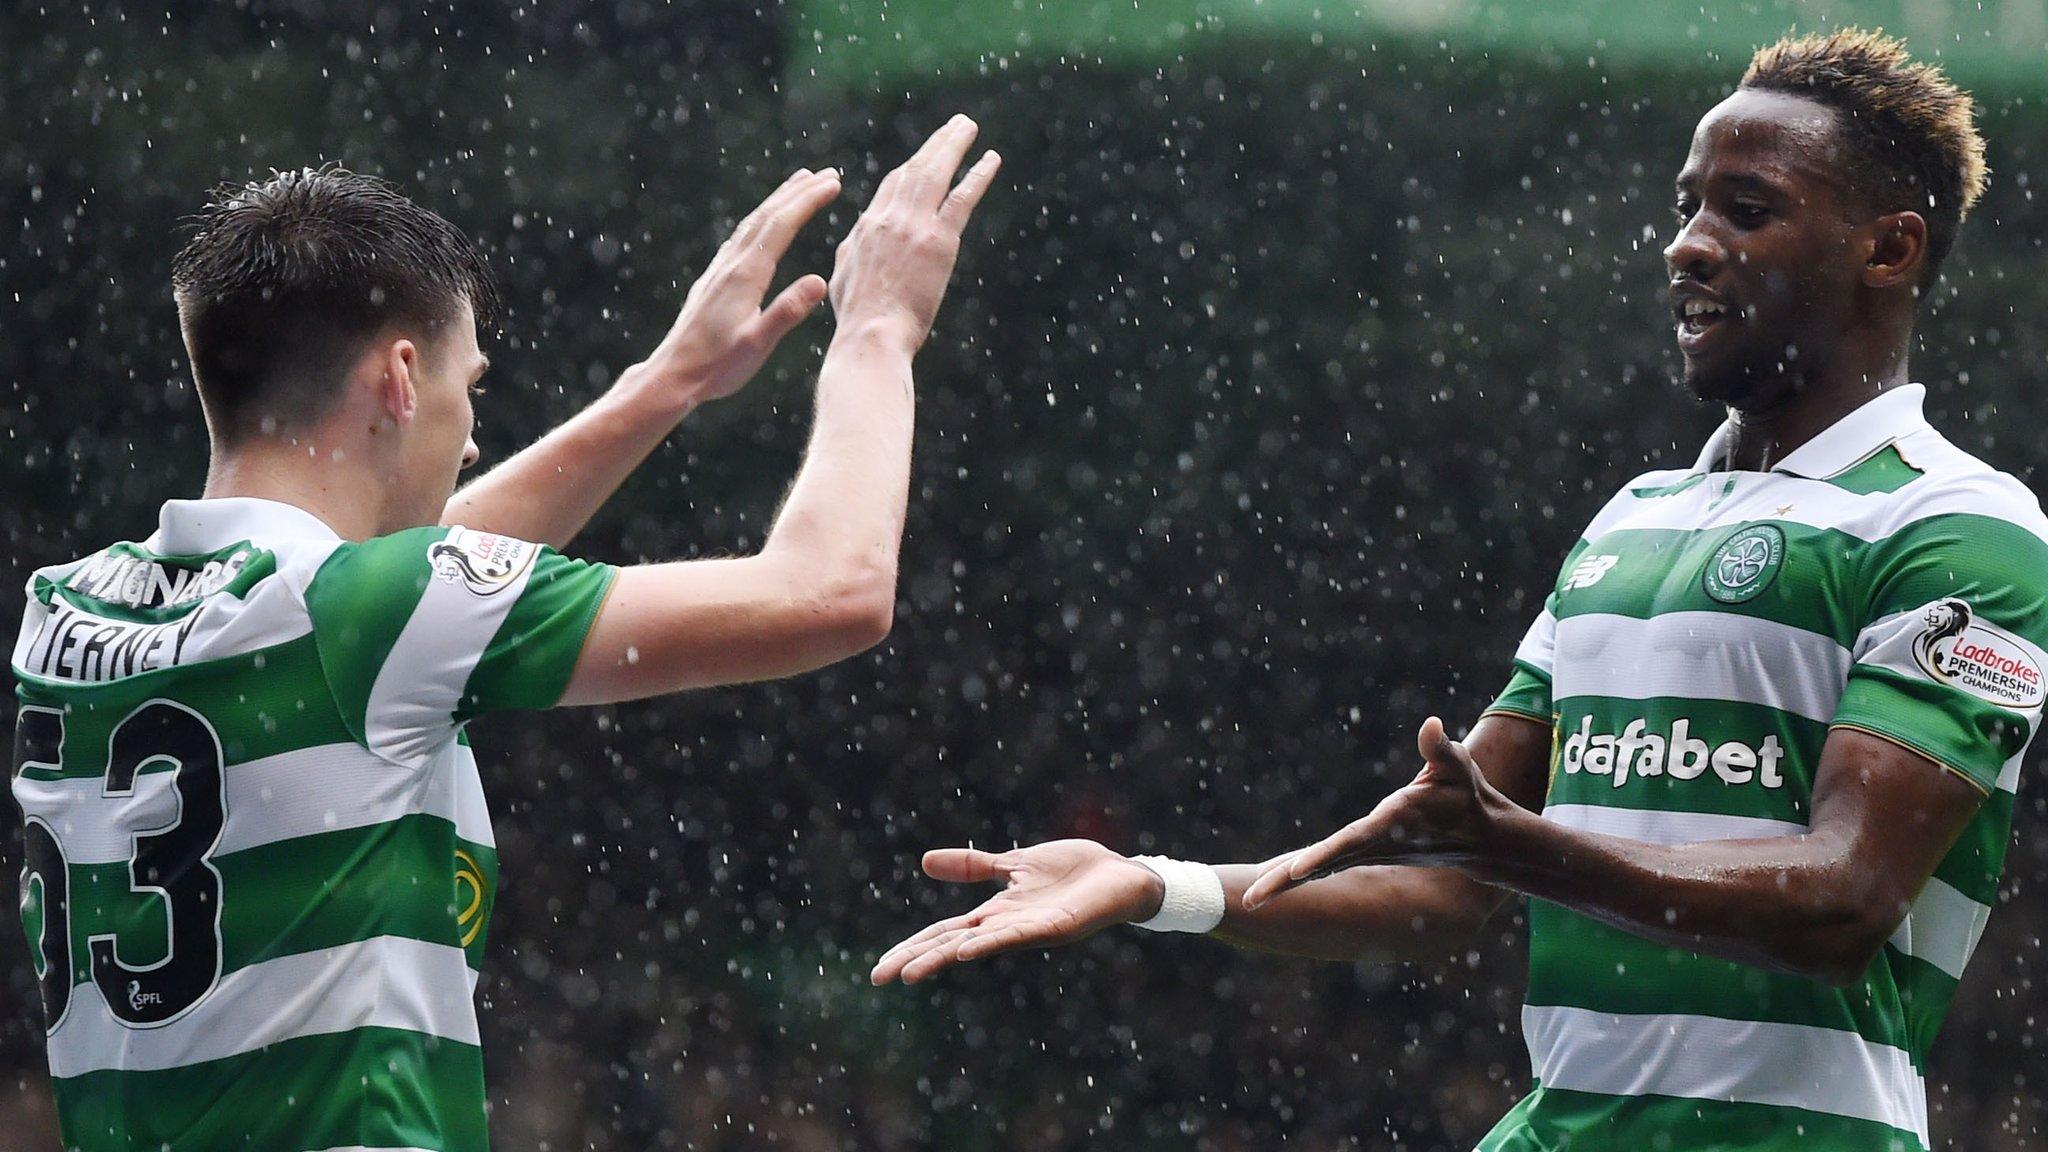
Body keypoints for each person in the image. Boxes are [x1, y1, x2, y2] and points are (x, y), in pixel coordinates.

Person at [874, 31, 2035, 1152]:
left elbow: (1843, 900)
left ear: (1887, 250)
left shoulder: (1957, 525)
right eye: (1685, 205)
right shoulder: (1631, 521)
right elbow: (1442, 880)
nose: (1684, 244)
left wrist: (1520, 849)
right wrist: (1151, 886)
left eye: (1744, 210)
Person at [9, 118, 998, 1151]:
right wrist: (878, 332)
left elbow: (397, 582)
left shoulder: (68, 610)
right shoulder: (365, 612)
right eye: (464, 387)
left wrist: (664, 386)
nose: (473, 433)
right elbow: (832, 592)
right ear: (397, 379)